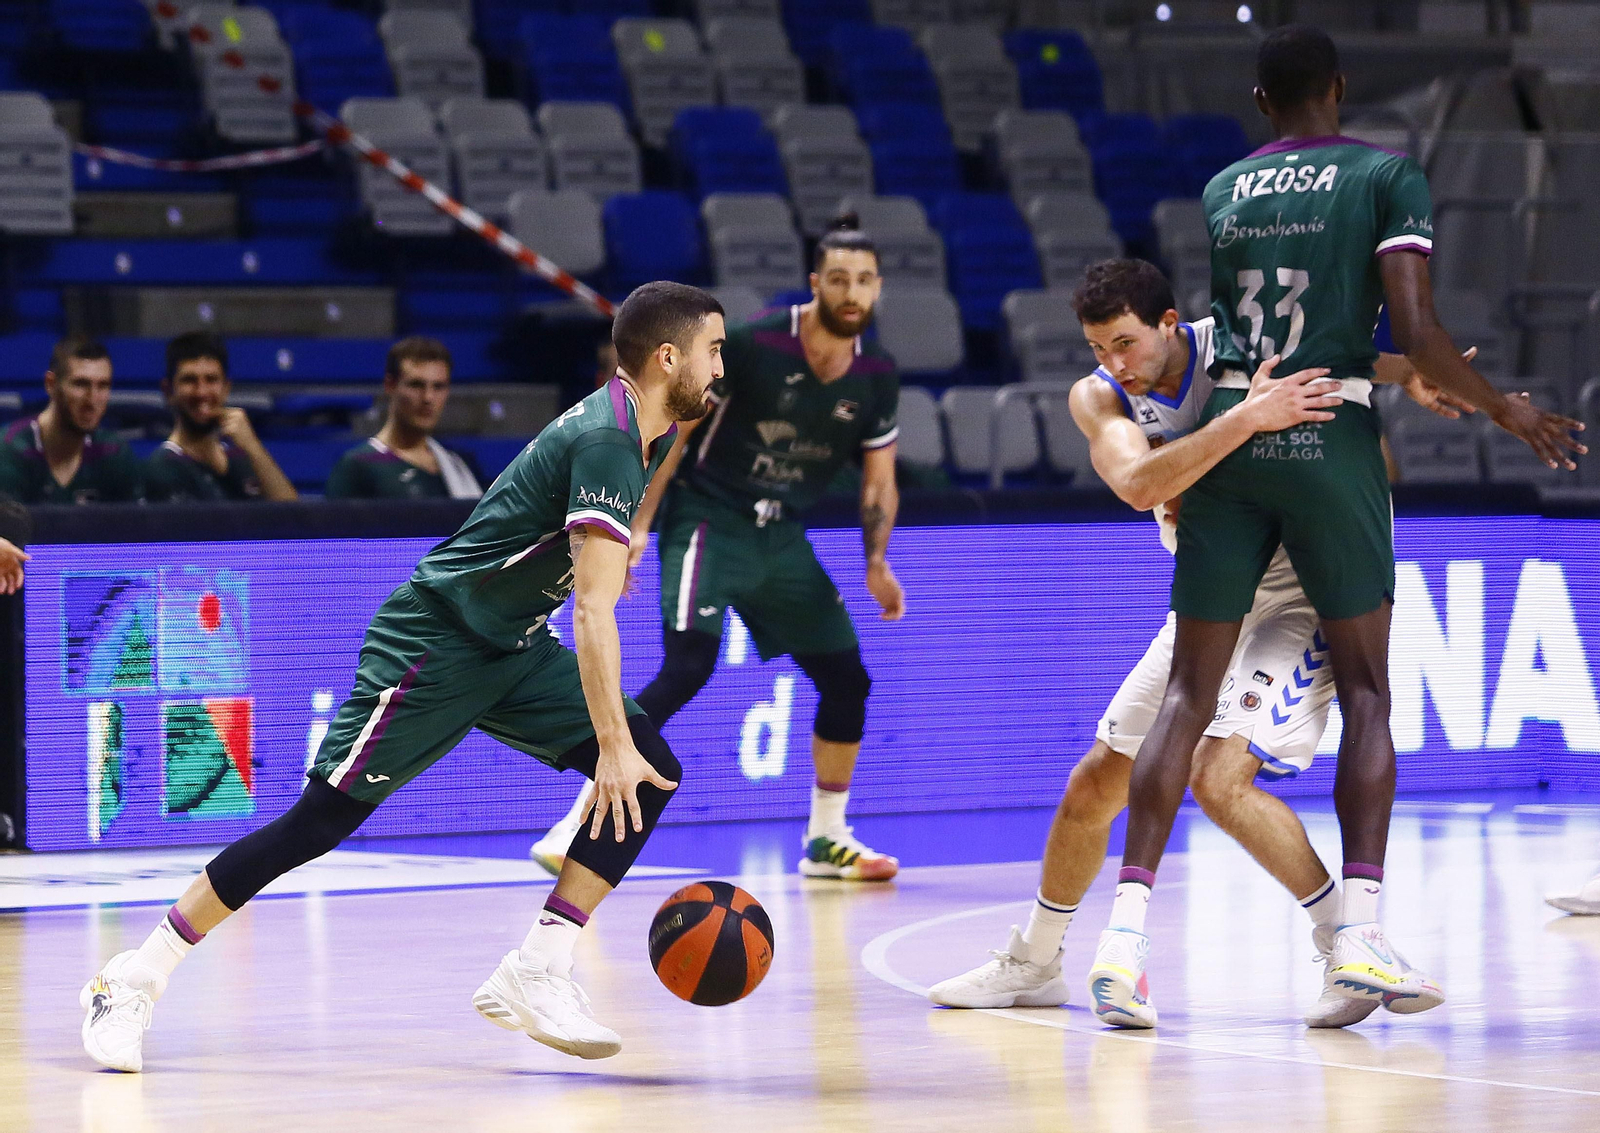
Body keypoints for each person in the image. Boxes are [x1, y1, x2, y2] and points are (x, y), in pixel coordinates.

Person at [80, 282, 726, 1072]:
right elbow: (593, 614)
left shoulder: (642, 428)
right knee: (317, 823)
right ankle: (132, 977)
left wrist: (600, 584)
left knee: (650, 768)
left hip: (512, 643)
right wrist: (608, 740)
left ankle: (539, 966)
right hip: (438, 640)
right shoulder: (609, 441)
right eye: (713, 350)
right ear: (668, 357)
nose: (720, 367)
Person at [1088, 25, 1584, 1029]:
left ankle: (1122, 945)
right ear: (1340, 88)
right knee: (1366, 692)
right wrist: (1502, 407)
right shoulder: (1385, 174)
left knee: (1185, 697)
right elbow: (1415, 328)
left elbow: (1252, 325)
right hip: (1330, 437)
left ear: (1261, 102)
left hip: (1241, 432)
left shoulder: (1225, 188)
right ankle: (1357, 930)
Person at [928, 259, 1469, 1028]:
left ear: (1170, 324)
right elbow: (1139, 484)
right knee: (1094, 783)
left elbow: (1340, 359)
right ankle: (1036, 959)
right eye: (1098, 347)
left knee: (1220, 777)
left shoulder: (1240, 349)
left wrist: (1407, 371)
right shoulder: (1098, 396)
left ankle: (1344, 945)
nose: (1114, 363)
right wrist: (1238, 426)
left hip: (1301, 595)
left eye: (1125, 343)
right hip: (1212, 596)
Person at [530, 217, 905, 881]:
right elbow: (675, 432)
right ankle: (580, 818)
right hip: (709, 518)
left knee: (849, 680)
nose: (852, 292)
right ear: (816, 283)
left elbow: (879, 482)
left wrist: (877, 561)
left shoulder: (876, 374)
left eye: (865, 281)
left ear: (878, 288)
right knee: (687, 668)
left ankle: (826, 838)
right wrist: (637, 524)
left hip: (782, 535)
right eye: (839, 279)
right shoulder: (758, 343)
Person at [143, 331, 298, 503]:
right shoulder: (162, 468)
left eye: (211, 380)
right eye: (189, 380)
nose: (202, 392)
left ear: (226, 388)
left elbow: (293, 514)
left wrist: (253, 446)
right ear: (168, 391)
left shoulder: (243, 458)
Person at [325, 336, 483, 501]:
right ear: (390, 385)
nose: (428, 398)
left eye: (438, 386)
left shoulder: (458, 464)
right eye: (416, 385)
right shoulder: (357, 466)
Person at [0, 337, 141, 503]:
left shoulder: (113, 452)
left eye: (103, 386)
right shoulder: (10, 450)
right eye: (80, 384)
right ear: (51, 384)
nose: (92, 400)